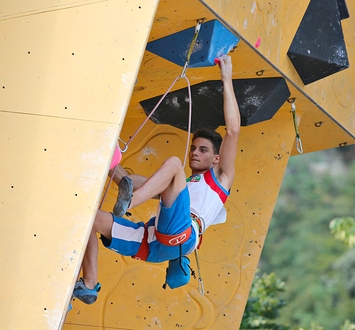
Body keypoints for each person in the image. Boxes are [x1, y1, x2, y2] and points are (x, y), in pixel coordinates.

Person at [72, 54, 240, 304]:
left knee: (174, 164)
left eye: (202, 150)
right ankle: (88, 284)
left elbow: (233, 130)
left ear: (217, 159)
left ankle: (129, 203)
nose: (194, 152)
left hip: (182, 234)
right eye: (194, 148)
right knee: (85, 219)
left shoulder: (221, 178)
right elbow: (136, 182)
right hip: (151, 242)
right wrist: (109, 161)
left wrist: (226, 78)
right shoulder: (178, 186)